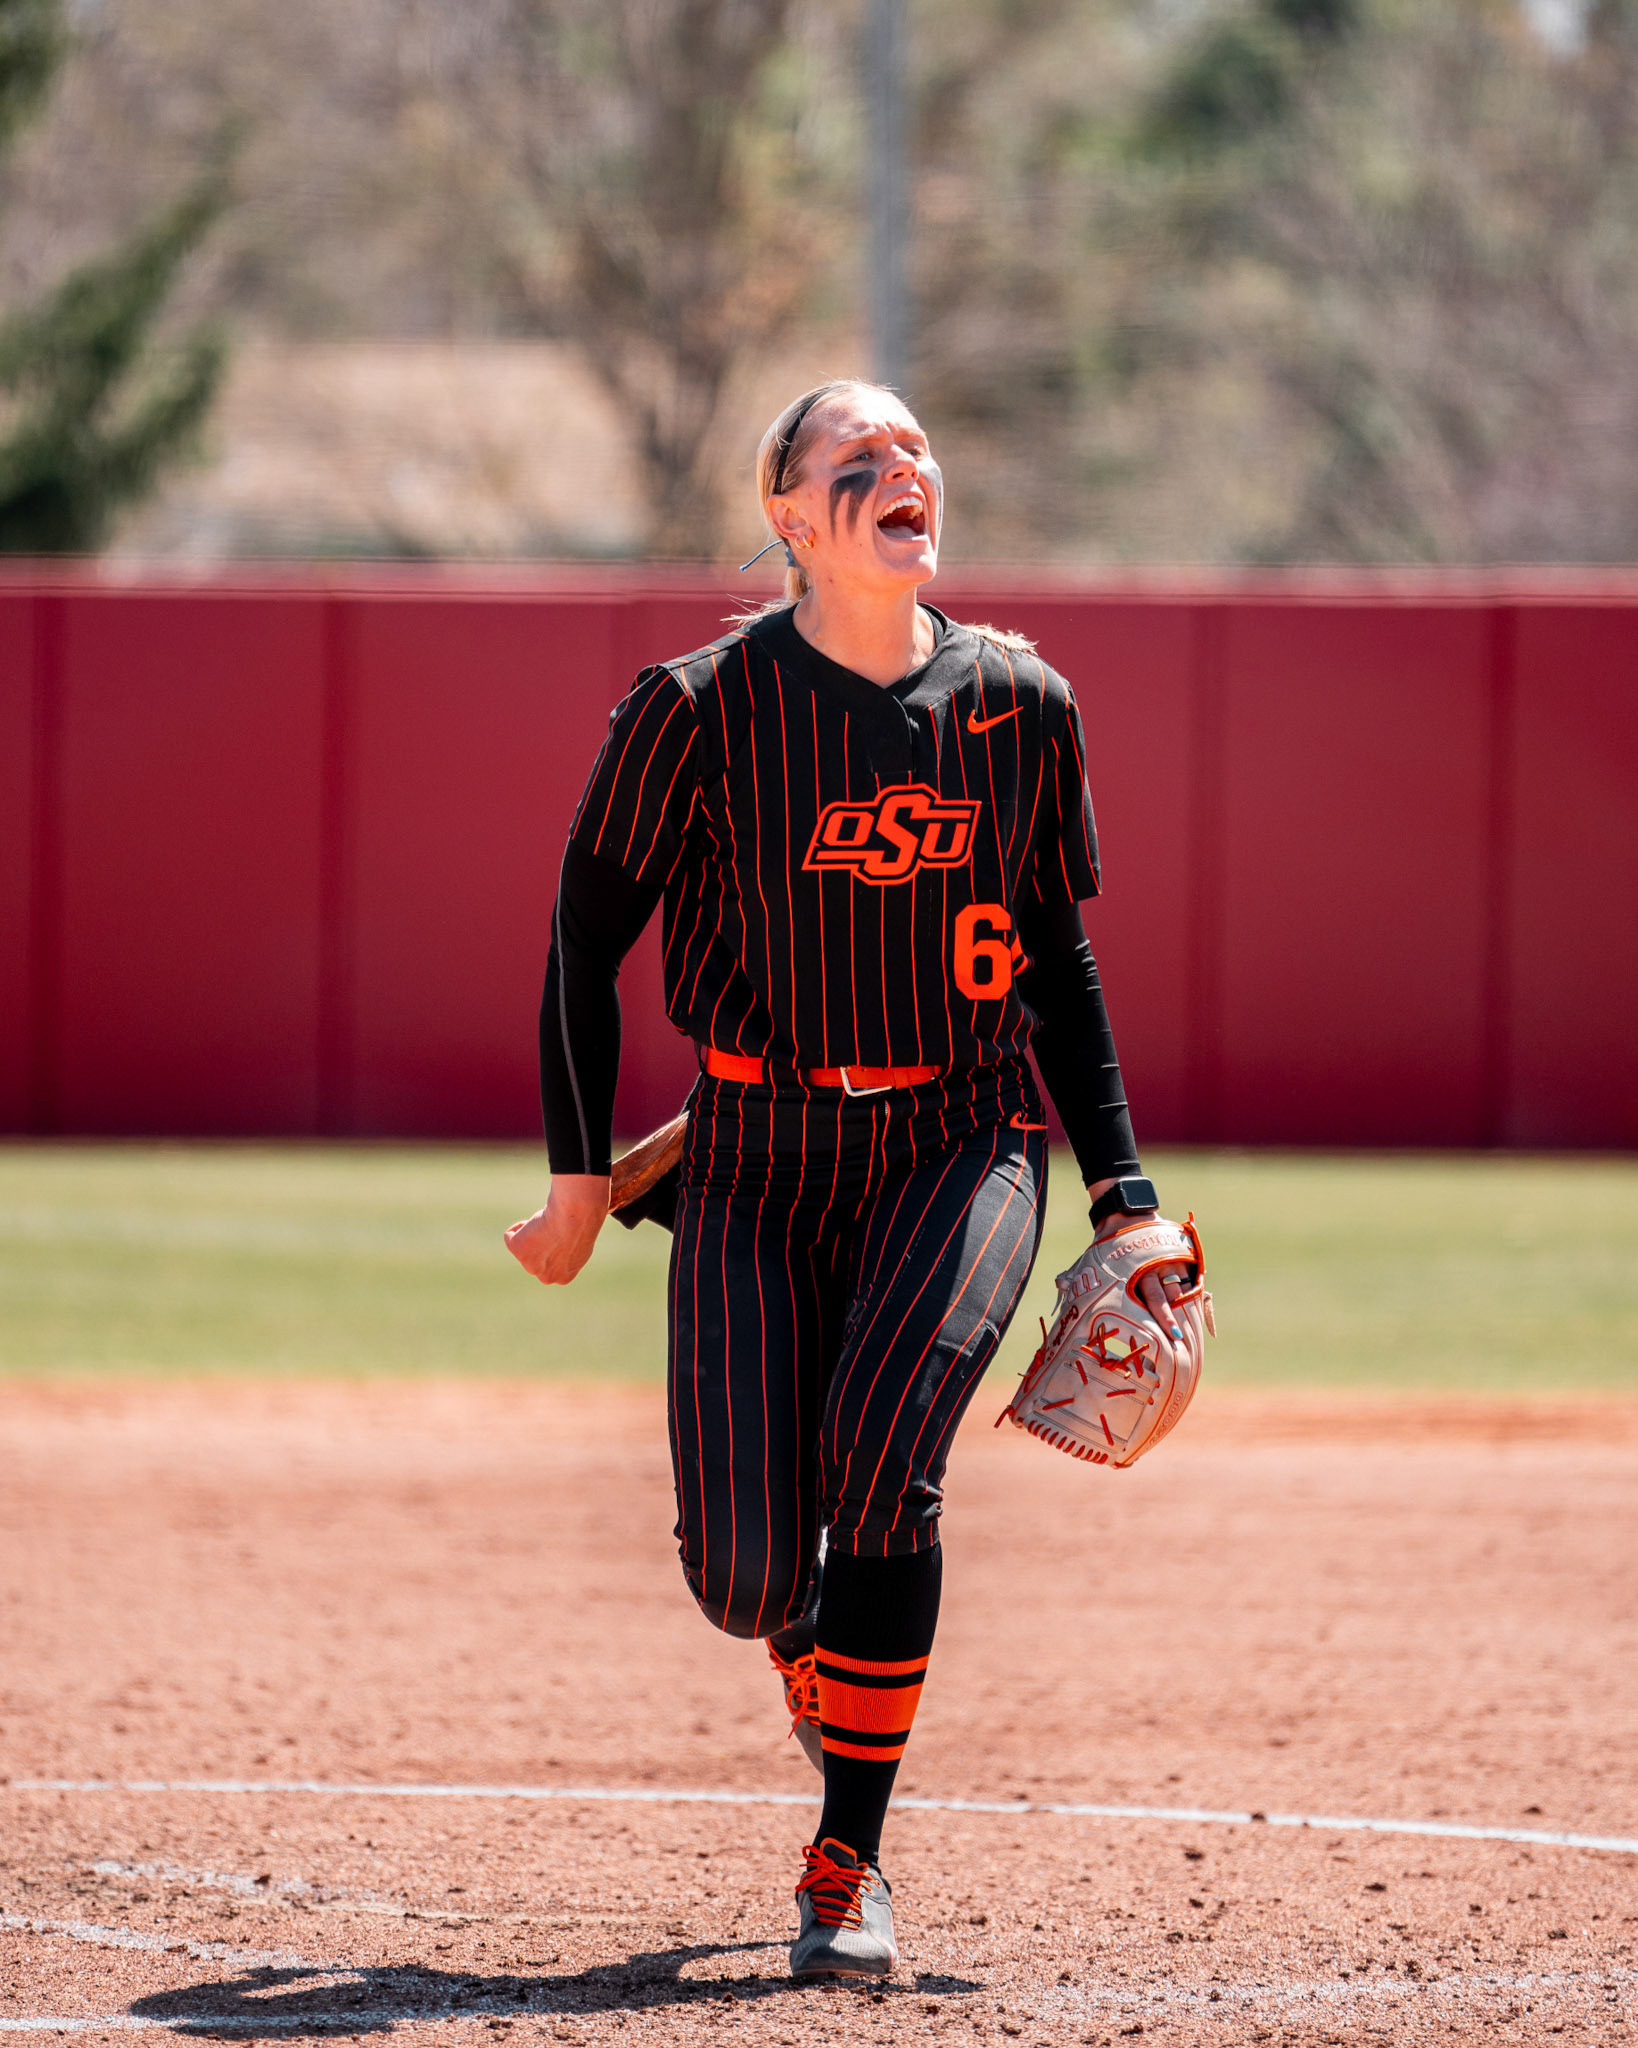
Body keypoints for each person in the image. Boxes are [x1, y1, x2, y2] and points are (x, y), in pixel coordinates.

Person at [505, 378, 1189, 1980]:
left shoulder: (1022, 702)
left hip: (960, 1137)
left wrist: (1122, 1192)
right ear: (794, 524)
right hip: (746, 1154)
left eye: (916, 452)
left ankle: (845, 1863)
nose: (905, 472)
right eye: (855, 463)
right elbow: (581, 946)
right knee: (743, 1573)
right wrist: (576, 1178)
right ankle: (819, 1648)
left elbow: (1059, 963)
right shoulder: (692, 709)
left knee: (885, 1462)